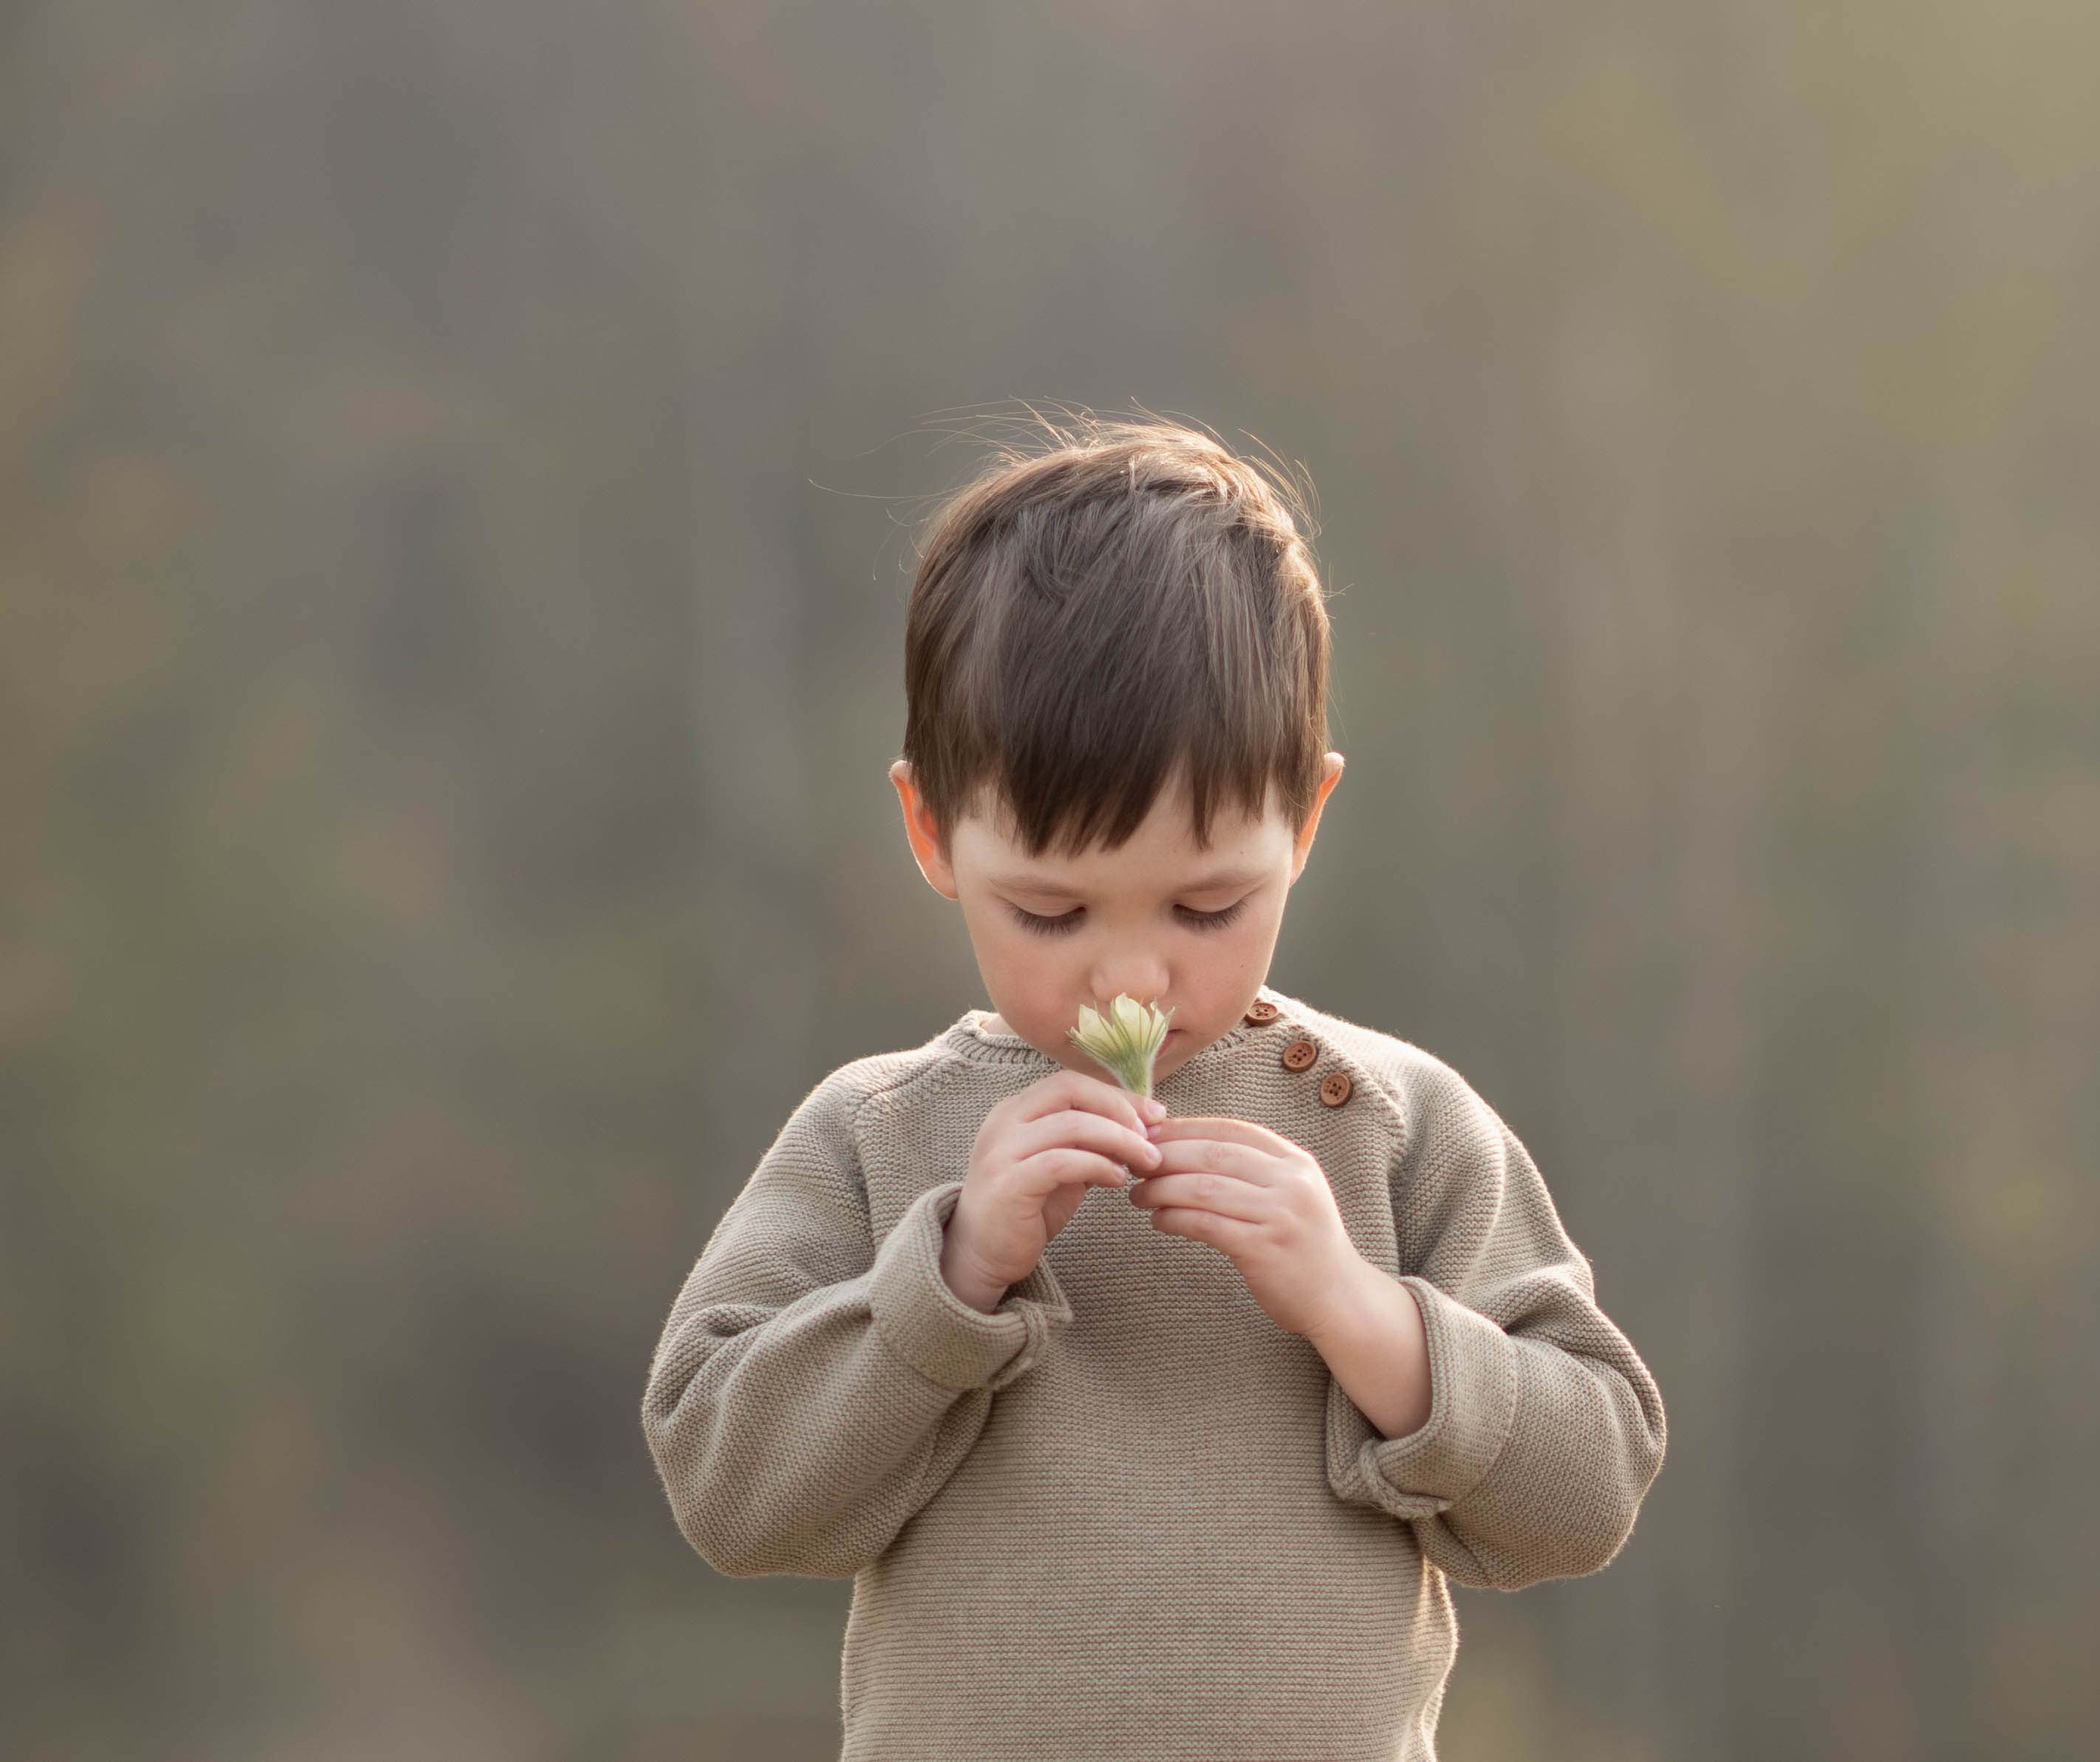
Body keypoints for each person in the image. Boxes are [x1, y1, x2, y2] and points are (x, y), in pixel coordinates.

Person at [639, 412, 1667, 1762]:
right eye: (1052, 914)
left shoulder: (1387, 1121)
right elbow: (728, 1489)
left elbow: (1587, 1488)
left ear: (1304, 819)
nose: (1134, 974)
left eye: (1207, 903)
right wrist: (946, 1281)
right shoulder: (881, 1132)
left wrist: (1364, 1317)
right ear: (931, 834)